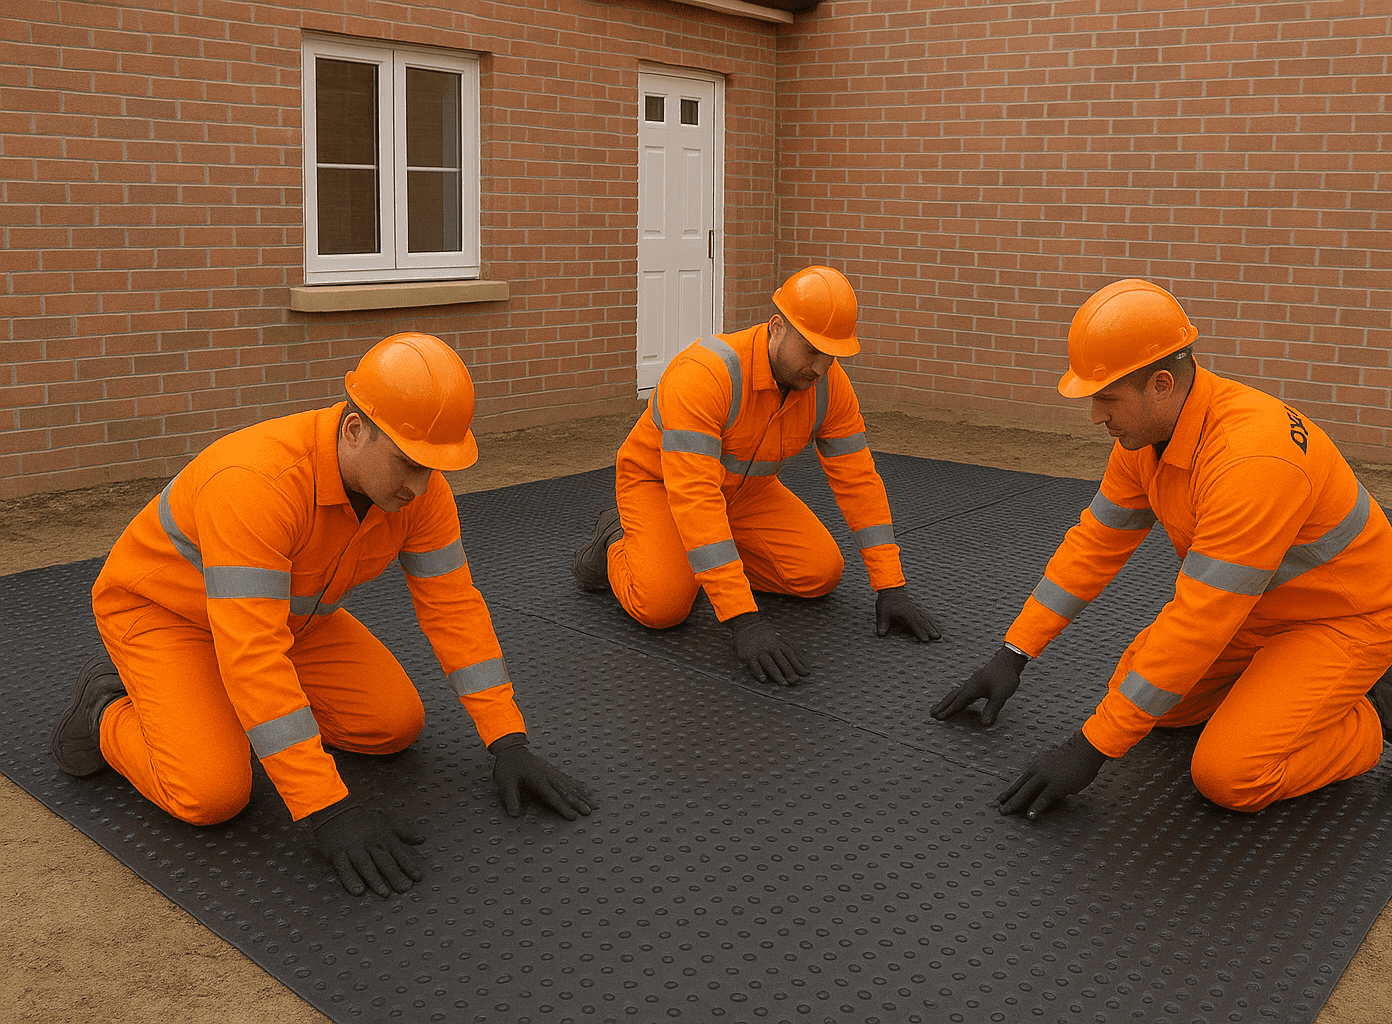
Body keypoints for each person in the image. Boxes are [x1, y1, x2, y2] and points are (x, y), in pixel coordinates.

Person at [50, 333, 595, 897]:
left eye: (434, 467)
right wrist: (326, 807)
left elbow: (454, 607)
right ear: (355, 430)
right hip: (166, 615)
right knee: (212, 794)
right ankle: (104, 708)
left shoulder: (420, 494)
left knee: (392, 725)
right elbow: (253, 654)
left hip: (286, 619)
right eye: (409, 464)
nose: (420, 486)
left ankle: (205, 702)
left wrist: (507, 740)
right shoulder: (255, 484)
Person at [930, 279, 1392, 818]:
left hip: (1344, 619)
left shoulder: (1251, 462)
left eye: (1107, 398)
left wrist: (1090, 749)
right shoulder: (1146, 439)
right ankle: (1283, 691)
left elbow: (1199, 621)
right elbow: (1094, 545)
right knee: (1153, 704)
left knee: (1229, 775)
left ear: (1161, 384)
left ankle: (1374, 712)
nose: (1095, 415)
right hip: (1254, 609)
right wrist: (1013, 654)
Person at [572, 265, 941, 684]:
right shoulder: (705, 375)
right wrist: (742, 618)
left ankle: (699, 564)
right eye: (811, 350)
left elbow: (859, 481)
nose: (821, 368)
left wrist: (890, 585)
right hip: (662, 487)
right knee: (663, 606)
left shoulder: (828, 387)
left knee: (819, 573)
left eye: (832, 355)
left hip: (746, 494)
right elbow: (696, 498)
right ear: (777, 327)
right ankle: (614, 540)